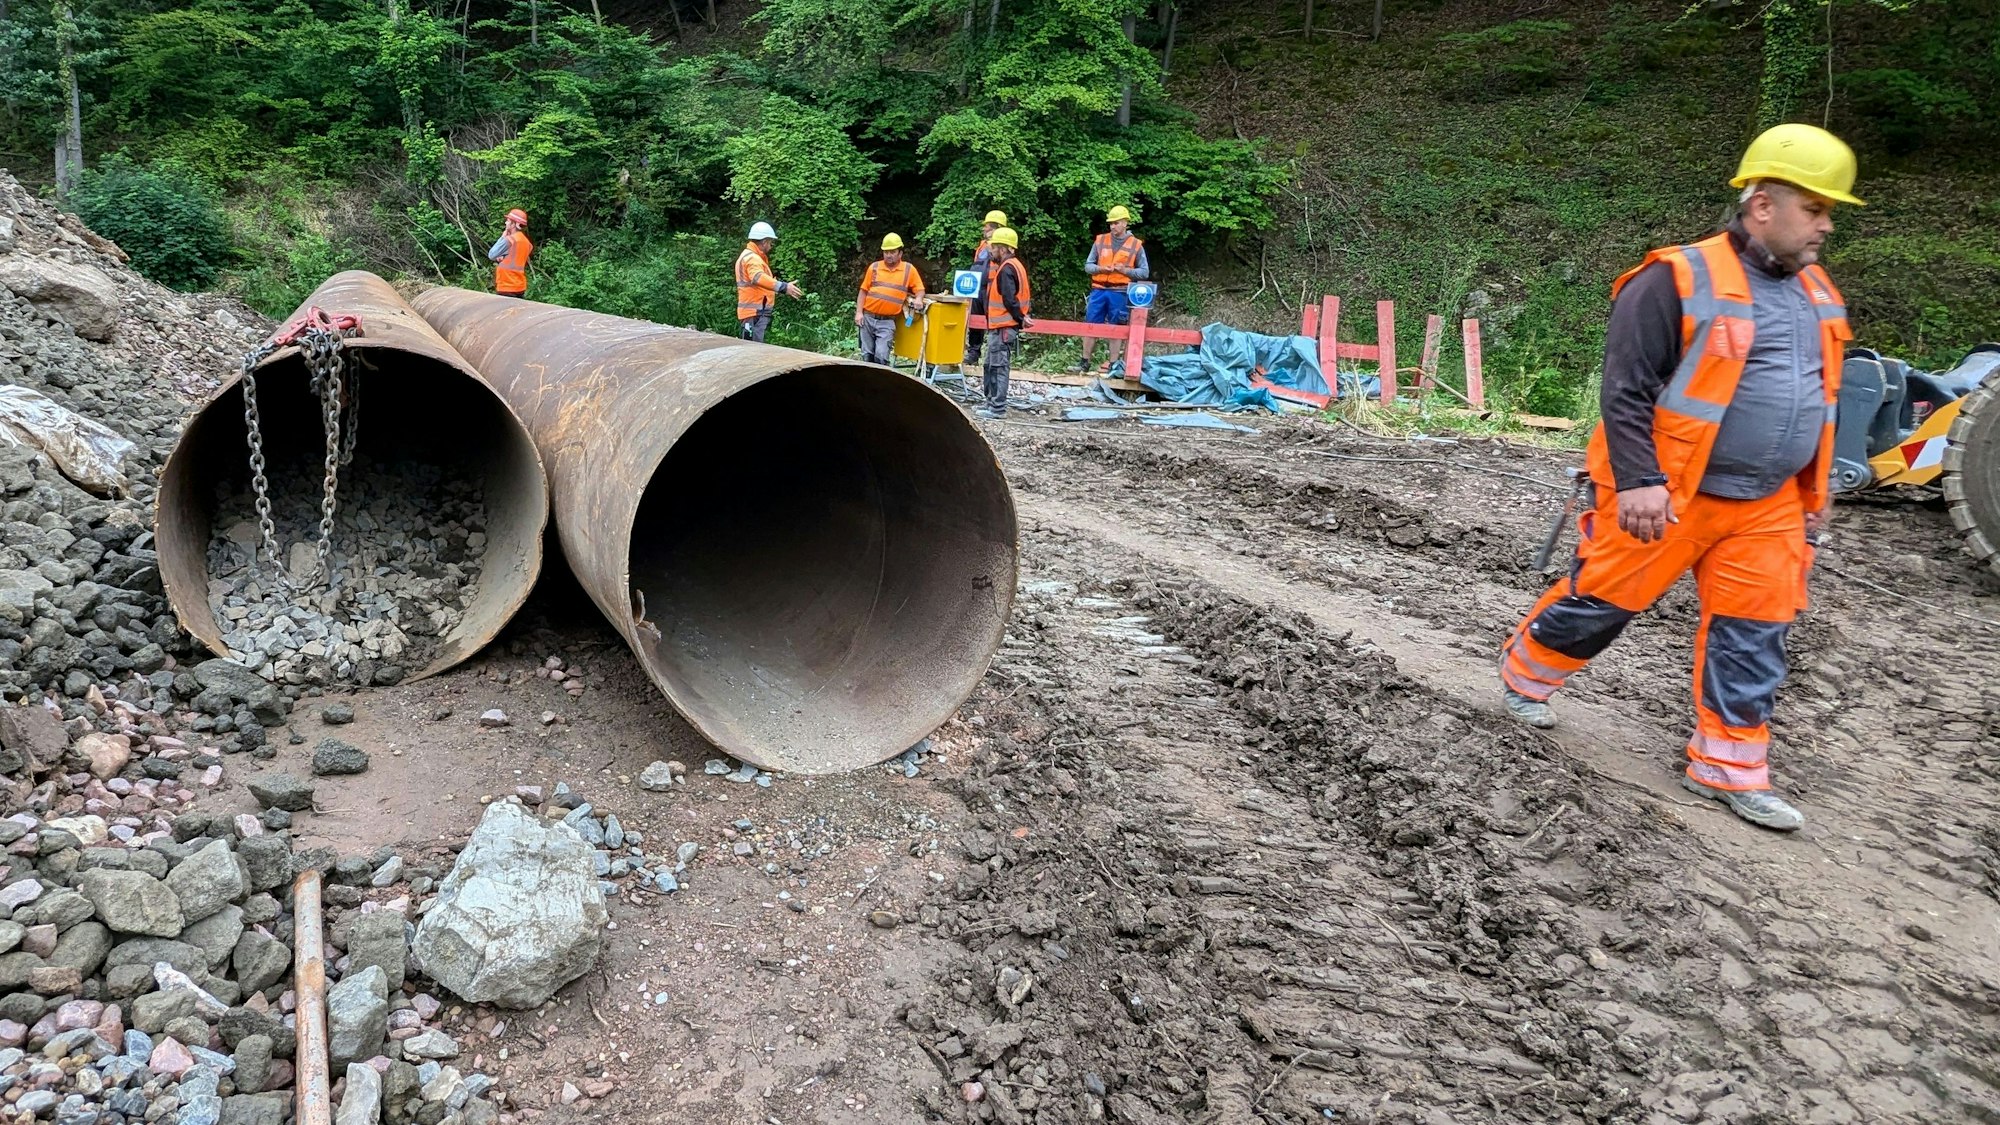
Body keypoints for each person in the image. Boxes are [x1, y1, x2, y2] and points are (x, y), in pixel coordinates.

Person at [1498, 123, 1862, 833]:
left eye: (1828, 212)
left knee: (1756, 633)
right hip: (1668, 493)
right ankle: (1526, 673)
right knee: (1602, 601)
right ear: (1763, 205)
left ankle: (1727, 770)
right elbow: (1625, 388)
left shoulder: (1819, 292)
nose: (1825, 224)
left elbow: (1822, 397)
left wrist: (1818, 496)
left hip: (1769, 505)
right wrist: (1637, 479)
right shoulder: (1675, 277)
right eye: (1815, 209)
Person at [1076, 205, 1149, 373]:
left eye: (1116, 223)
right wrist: (1102, 269)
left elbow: (1144, 272)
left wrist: (1125, 271)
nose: (1112, 226)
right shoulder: (1100, 240)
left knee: (1116, 327)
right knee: (1091, 325)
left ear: (1125, 223)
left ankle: (1113, 365)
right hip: (1099, 290)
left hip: (1120, 292)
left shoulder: (1136, 245)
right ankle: (1084, 362)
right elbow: (1088, 266)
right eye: (1111, 223)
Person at [979, 227, 1032, 420]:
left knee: (998, 367)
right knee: (991, 365)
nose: (991, 251)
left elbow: (1010, 299)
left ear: (1003, 249)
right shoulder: (1015, 266)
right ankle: (992, 404)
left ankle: (997, 407)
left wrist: (1019, 317)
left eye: (993, 247)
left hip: (1003, 327)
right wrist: (1022, 317)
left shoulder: (1007, 269)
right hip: (1002, 327)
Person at [855, 233, 927, 366]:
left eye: (892, 252)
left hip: (887, 322)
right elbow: (863, 291)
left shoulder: (908, 270)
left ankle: (881, 383)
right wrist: (859, 313)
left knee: (882, 356)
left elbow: (920, 289)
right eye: (886, 252)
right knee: (867, 355)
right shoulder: (874, 267)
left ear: (900, 253)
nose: (889, 255)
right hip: (868, 318)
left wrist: (919, 299)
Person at [735, 222, 807, 341]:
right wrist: (783, 287)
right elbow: (758, 277)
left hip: (754, 312)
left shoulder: (750, 256)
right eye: (770, 242)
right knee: (753, 351)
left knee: (752, 349)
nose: (771, 245)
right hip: (754, 312)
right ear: (764, 242)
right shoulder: (752, 258)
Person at [963, 210, 1007, 370]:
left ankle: (993, 355)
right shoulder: (982, 245)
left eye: (987, 227)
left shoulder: (1002, 248)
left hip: (992, 289)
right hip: (977, 289)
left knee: (993, 323)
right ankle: (974, 354)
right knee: (975, 321)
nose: (984, 230)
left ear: (997, 228)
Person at [488, 209, 533, 298]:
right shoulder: (526, 242)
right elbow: (514, 257)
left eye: (508, 221)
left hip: (506, 285)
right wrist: (503, 257)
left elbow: (491, 255)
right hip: (519, 286)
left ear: (513, 224)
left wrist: (502, 237)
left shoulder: (510, 239)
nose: (506, 223)